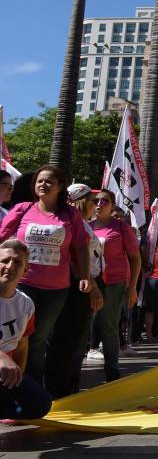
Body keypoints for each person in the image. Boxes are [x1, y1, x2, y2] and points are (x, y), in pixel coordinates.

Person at [0, 165, 90, 386]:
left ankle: (32, 387)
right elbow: (2, 239)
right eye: (40, 181)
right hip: (22, 284)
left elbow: (80, 247)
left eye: (49, 181)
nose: (43, 184)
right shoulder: (22, 209)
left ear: (60, 187)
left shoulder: (71, 214)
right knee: (18, 338)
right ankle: (13, 385)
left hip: (55, 289)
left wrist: (85, 276)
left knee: (39, 340)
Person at [50, 184, 103, 398]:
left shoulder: (82, 223)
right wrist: (92, 287)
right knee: (72, 339)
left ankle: (70, 387)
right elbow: (76, 259)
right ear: (81, 201)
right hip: (80, 284)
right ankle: (63, 390)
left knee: (78, 338)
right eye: (93, 201)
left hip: (87, 282)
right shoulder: (74, 223)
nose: (97, 205)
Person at [88, 188, 140, 383]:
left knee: (108, 326)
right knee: (84, 326)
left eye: (105, 201)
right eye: (97, 201)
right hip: (90, 282)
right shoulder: (85, 226)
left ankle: (112, 372)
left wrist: (132, 287)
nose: (100, 204)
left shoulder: (120, 227)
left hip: (114, 284)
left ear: (112, 205)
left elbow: (136, 258)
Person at [0, 239, 53, 420]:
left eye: (17, 262)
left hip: (4, 375)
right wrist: (2, 358)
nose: (10, 266)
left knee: (41, 404)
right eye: (5, 261)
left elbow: (22, 346)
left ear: (25, 270)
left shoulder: (26, 304)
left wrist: (17, 379)